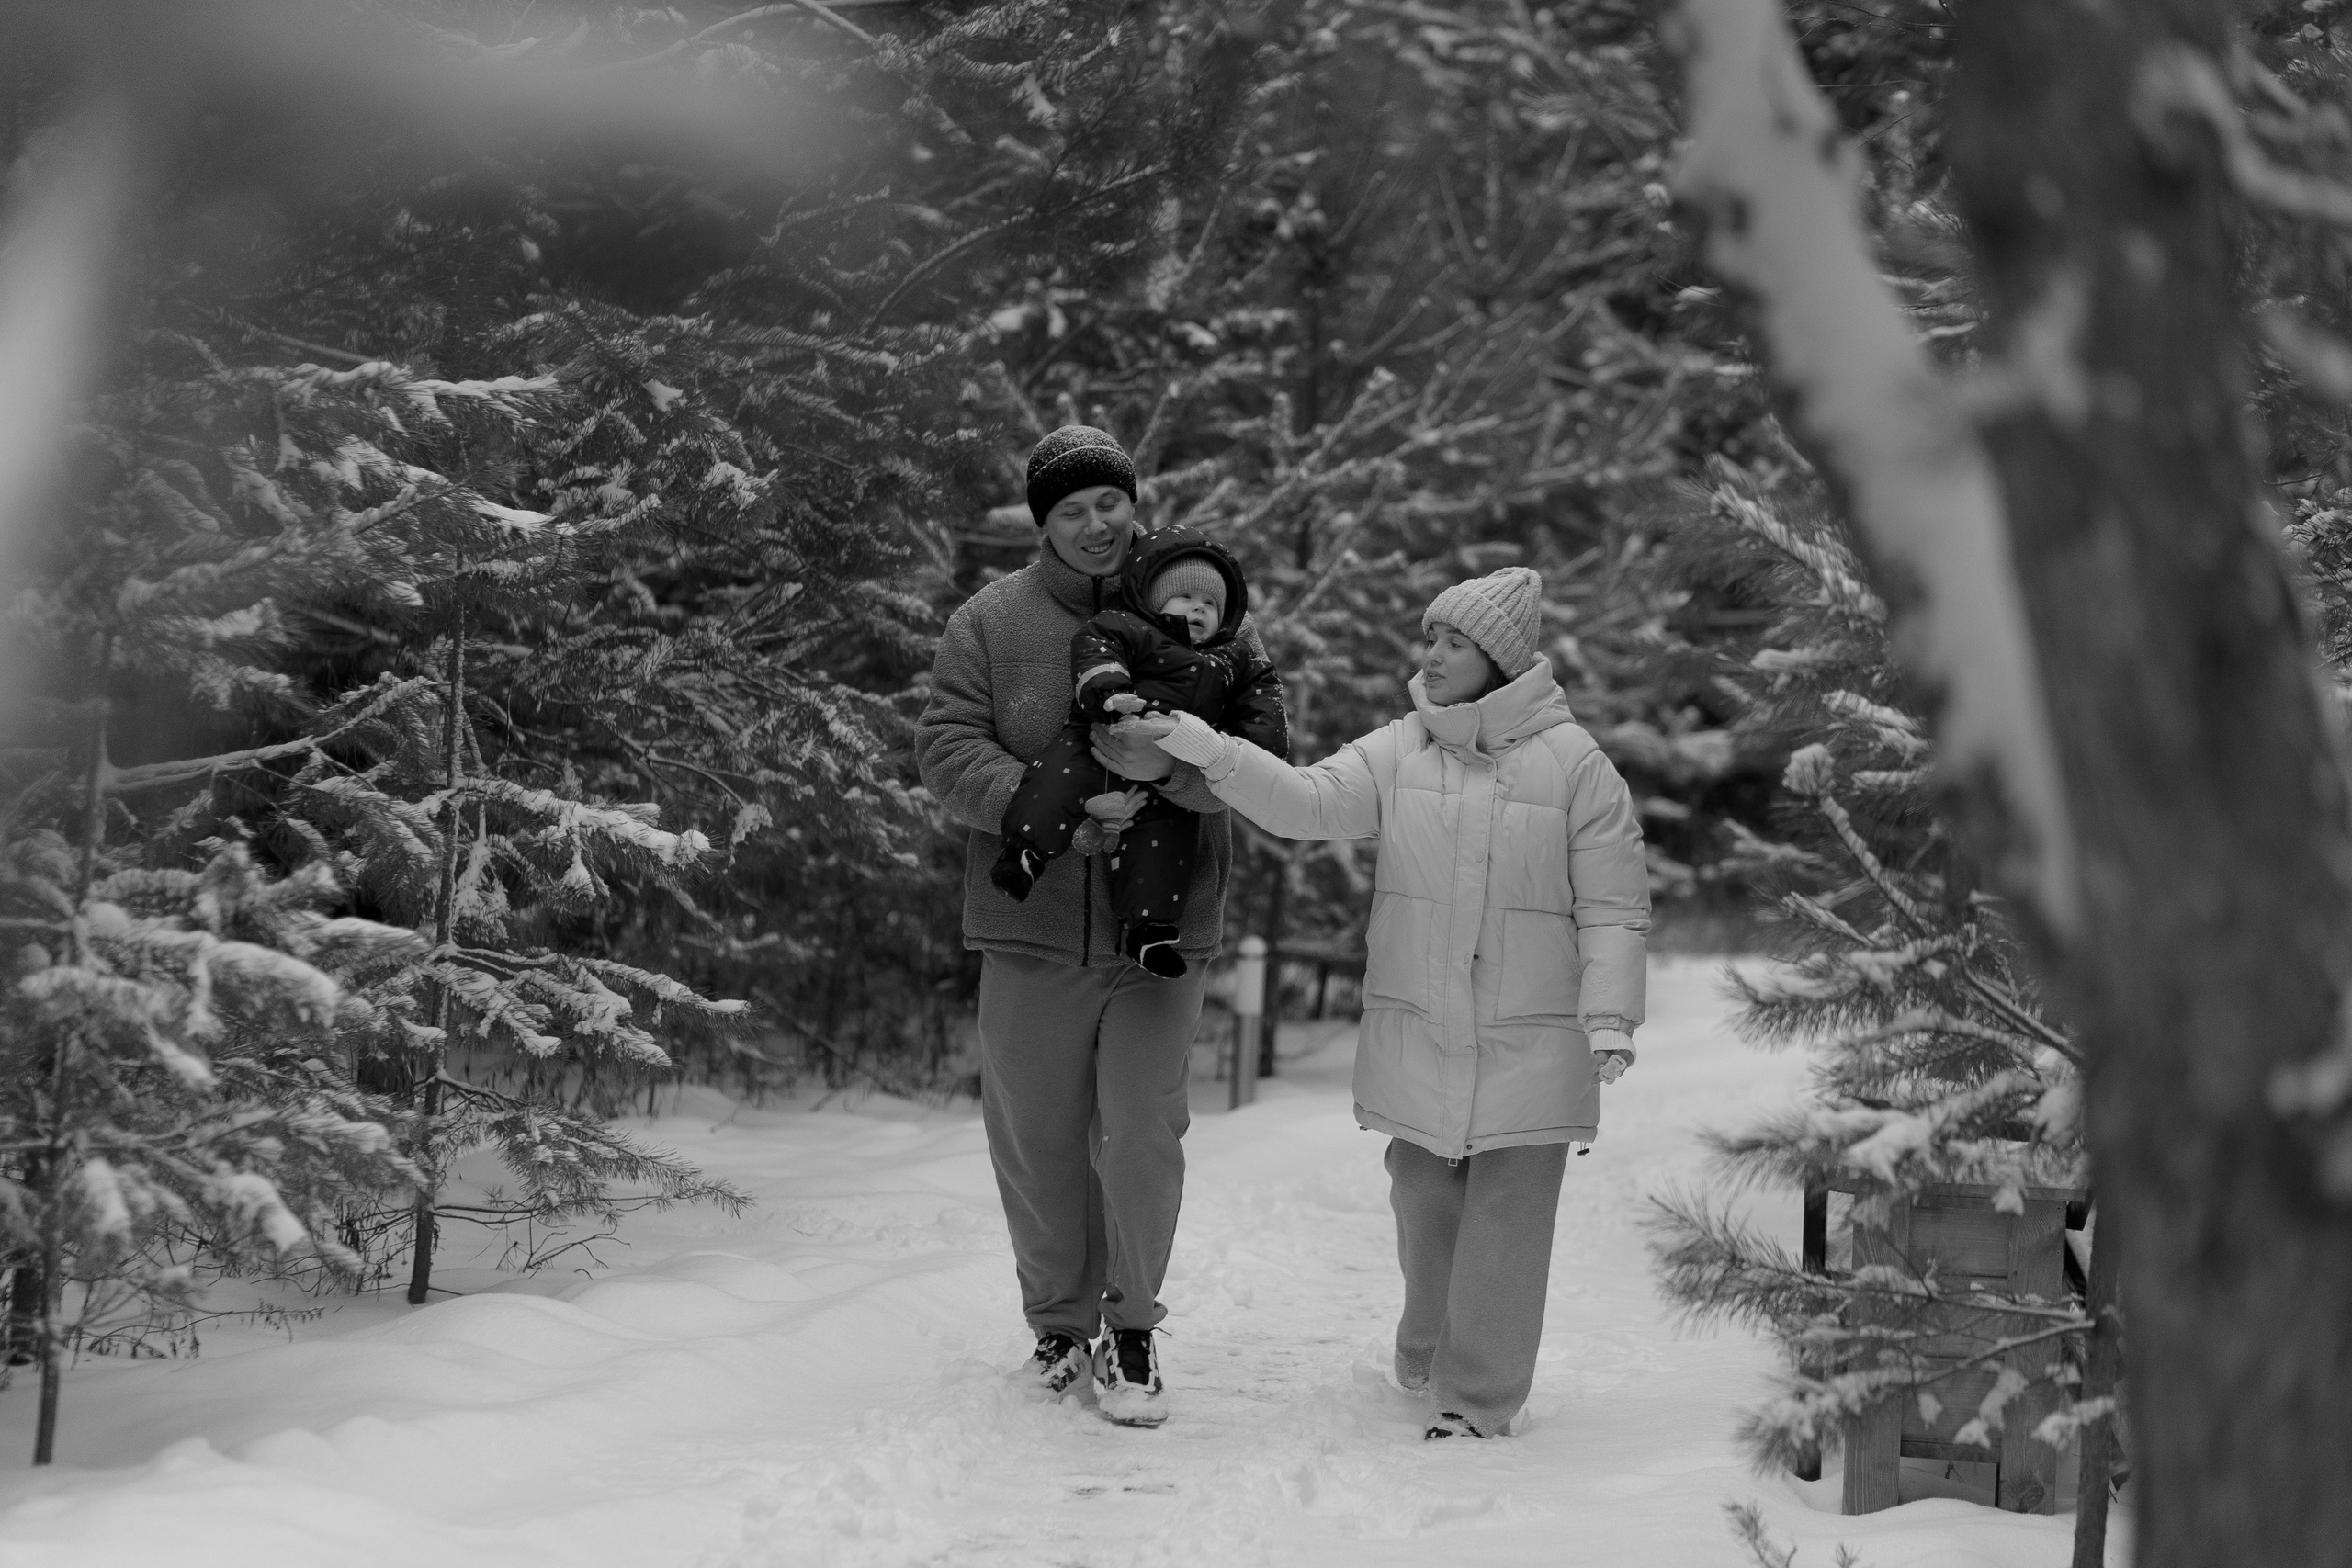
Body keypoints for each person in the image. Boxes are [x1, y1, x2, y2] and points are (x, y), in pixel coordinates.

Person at [1125, 565, 1649, 1440]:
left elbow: (1613, 906)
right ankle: (1432, 1343)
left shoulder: (1576, 766)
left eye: (1452, 642)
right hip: (1422, 1023)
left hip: (1537, 1034)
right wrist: (1209, 748)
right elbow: (1306, 801)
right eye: (1430, 638)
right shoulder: (1403, 747)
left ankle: (1475, 1397)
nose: (1431, 655)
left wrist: (1610, 1018)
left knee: (1507, 1220)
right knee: (1424, 1196)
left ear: (1500, 658)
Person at [913, 424, 1275, 1427]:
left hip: (1161, 933)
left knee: (1141, 1133)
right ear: (1043, 526)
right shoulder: (991, 623)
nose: (1093, 524)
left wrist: (1171, 775)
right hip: (1030, 921)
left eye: (1106, 502)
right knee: (1034, 1138)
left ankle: (1132, 1328)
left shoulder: (1200, 608)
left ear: (1131, 497)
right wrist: (1060, 815)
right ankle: (1058, 1324)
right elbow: (945, 749)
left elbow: (1257, 759)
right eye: (1069, 512)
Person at [989, 525, 1288, 978]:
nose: (1198, 608)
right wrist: (1110, 692)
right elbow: (1097, 651)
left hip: (1171, 775)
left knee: (1166, 847)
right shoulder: (1128, 626)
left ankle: (1148, 932)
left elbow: (1263, 706)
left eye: (1209, 604)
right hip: (1100, 737)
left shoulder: (1233, 658)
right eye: (1185, 597)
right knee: (1054, 779)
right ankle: (1025, 852)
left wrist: (1259, 752)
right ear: (1153, 598)